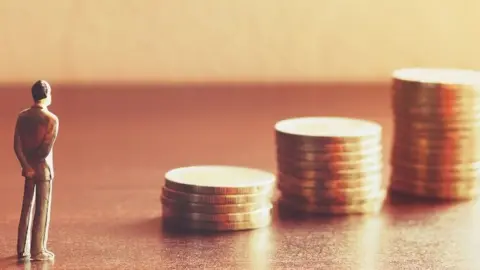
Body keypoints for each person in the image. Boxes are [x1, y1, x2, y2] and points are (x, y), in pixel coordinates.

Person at [14, 80, 59, 261]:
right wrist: (35, 164)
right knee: (41, 209)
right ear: (47, 95)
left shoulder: (22, 117)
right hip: (42, 170)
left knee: (26, 208)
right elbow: (45, 148)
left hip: (29, 169)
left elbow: (16, 145)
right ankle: (38, 250)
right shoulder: (51, 119)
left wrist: (26, 164)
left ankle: (22, 247)